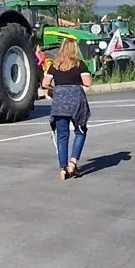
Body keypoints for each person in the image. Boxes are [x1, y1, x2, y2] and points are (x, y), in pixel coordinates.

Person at [44, 37, 92, 180]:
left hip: (59, 100)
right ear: (74, 49)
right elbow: (87, 83)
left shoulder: (54, 65)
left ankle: (63, 168)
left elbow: (45, 83)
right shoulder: (79, 64)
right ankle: (73, 162)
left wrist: (56, 89)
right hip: (76, 99)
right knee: (80, 131)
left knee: (62, 135)